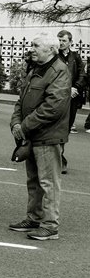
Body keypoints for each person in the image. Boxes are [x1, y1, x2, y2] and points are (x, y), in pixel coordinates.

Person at [9, 35, 70, 241]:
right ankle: (34, 218)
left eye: (36, 46)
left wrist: (23, 126)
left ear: (51, 49)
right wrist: (16, 123)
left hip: (47, 136)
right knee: (34, 181)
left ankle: (50, 225)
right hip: (33, 135)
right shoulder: (36, 68)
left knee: (48, 183)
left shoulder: (59, 71)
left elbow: (53, 107)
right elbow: (22, 100)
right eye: (31, 45)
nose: (31, 49)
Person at [56, 30, 86, 173]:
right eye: (59, 40)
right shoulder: (54, 56)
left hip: (72, 98)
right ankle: (59, 158)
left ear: (70, 42)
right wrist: (66, 89)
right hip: (57, 96)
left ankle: (60, 154)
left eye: (64, 41)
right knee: (56, 126)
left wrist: (76, 87)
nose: (61, 43)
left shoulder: (76, 57)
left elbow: (82, 74)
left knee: (66, 127)